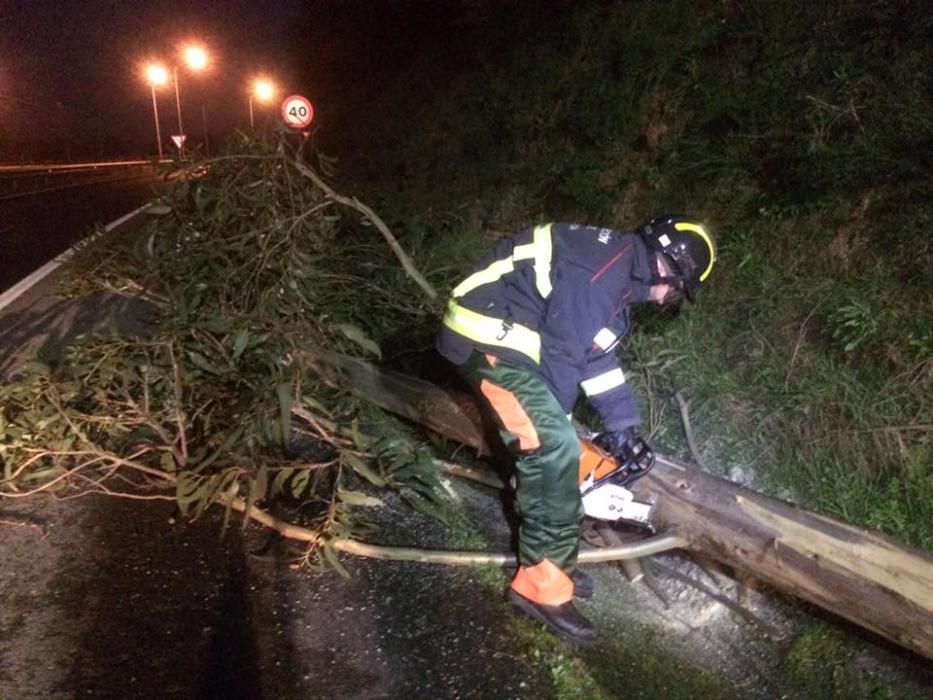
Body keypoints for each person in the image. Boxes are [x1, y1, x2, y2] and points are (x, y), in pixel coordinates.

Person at [435, 215, 716, 644]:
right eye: (677, 290)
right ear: (667, 264)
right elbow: (564, 356)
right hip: (488, 337)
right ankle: (538, 589)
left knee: (561, 446)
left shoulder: (618, 273)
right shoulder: (600, 274)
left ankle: (553, 563)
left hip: (518, 339)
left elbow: (594, 354)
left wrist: (623, 425)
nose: (667, 301)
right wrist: (559, 440)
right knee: (554, 449)